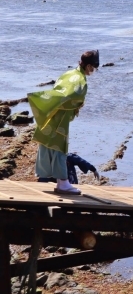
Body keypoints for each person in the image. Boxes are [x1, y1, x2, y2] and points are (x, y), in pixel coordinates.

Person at [27, 50, 99, 195]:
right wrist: (77, 104)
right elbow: (70, 95)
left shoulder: (69, 74)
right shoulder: (80, 79)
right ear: (89, 66)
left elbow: (58, 90)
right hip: (60, 119)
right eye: (94, 67)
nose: (94, 71)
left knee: (50, 146)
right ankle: (63, 183)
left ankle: (52, 178)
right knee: (60, 149)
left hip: (52, 114)